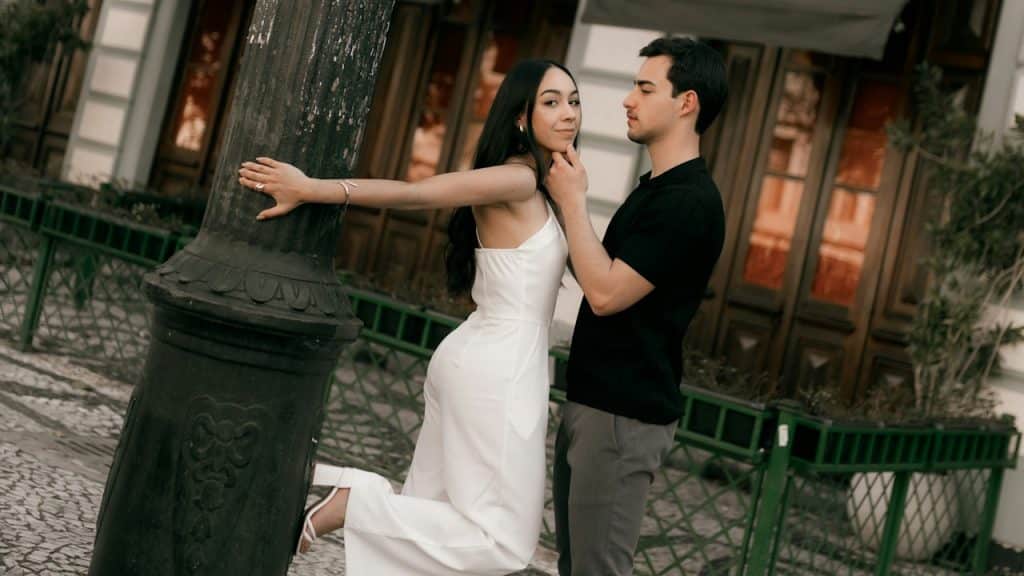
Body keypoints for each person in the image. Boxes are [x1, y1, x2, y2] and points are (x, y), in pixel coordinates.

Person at [237, 59, 579, 576]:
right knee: (503, 544)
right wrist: (316, 189)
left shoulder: (546, 188)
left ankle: (358, 503)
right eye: (551, 102)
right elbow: (421, 193)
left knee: (432, 526)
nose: (568, 113)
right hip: (500, 369)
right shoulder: (517, 179)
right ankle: (355, 502)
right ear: (519, 117)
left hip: (482, 359)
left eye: (574, 101)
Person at [544, 37, 728, 576]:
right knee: (578, 566)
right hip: (595, 404)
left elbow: (603, 295)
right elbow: (599, 271)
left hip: (623, 417)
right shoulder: (656, 189)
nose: (628, 99)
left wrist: (575, 201)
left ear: (686, 102)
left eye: (646, 88)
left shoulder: (689, 201)